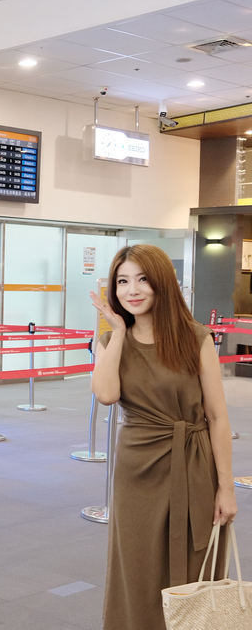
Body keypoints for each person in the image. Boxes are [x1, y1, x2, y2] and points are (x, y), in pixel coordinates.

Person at [89, 244, 236, 630]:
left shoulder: (195, 337)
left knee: (195, 562)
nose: (132, 290)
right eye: (122, 281)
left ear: (161, 284)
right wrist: (118, 333)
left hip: (194, 463)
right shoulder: (110, 341)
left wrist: (226, 487)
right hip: (137, 467)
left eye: (142, 279)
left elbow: (218, 416)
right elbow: (106, 394)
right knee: (137, 566)